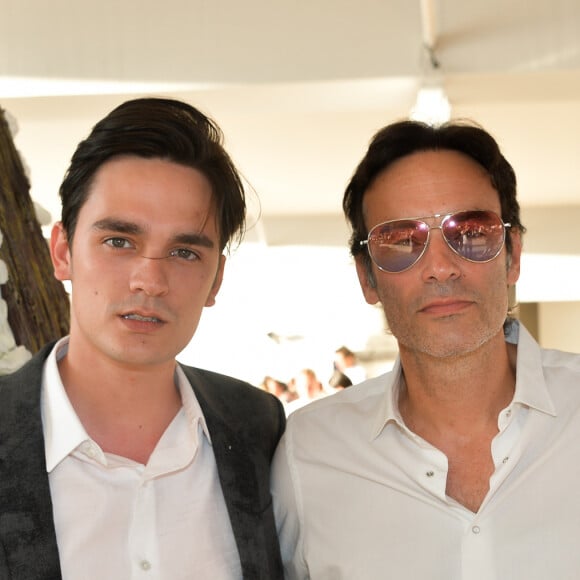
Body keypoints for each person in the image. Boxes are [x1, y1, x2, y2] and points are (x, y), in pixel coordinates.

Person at [271, 119, 580, 579]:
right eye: (401, 241)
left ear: (512, 254)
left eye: (471, 232)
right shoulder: (309, 452)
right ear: (366, 277)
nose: (440, 267)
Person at [0, 97, 285, 579]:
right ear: (63, 251)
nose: (149, 281)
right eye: (119, 242)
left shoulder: (260, 429)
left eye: (185, 253)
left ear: (216, 281)